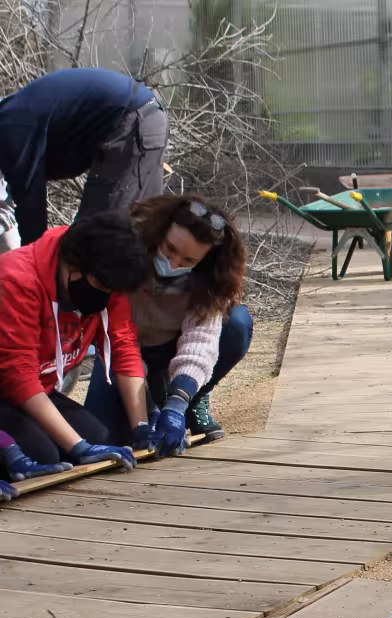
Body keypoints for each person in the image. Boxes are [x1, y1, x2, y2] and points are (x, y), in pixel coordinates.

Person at [84, 195, 250, 454]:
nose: (173, 265)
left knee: (237, 323)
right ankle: (157, 399)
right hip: (121, 352)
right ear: (160, 232)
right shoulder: (126, 251)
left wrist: (178, 401)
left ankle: (193, 399)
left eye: (188, 261)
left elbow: (201, 343)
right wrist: (146, 410)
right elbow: (118, 341)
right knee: (104, 438)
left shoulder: (212, 278)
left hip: (173, 347)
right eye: (169, 249)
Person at [0, 211, 153, 474]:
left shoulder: (107, 275)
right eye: (102, 285)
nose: (107, 295)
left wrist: (142, 429)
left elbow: (123, 348)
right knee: (44, 453)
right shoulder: (15, 278)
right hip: (8, 388)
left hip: (39, 388)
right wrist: (78, 447)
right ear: (73, 264)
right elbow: (18, 376)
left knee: (101, 441)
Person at [0, 67, 169, 249]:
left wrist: (30, 261)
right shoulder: (12, 115)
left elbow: (30, 209)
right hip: (146, 117)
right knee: (142, 232)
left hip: (131, 124)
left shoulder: (10, 130)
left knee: (92, 241)